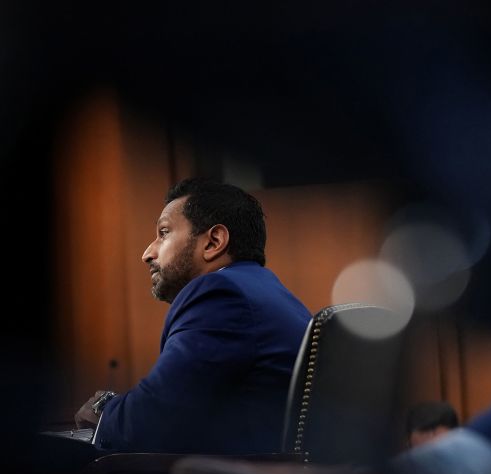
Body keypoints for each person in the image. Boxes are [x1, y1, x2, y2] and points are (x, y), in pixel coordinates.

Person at [74, 177, 312, 455]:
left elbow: (154, 420)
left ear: (213, 242)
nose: (147, 253)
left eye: (163, 232)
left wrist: (102, 412)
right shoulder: (267, 291)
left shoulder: (220, 295)